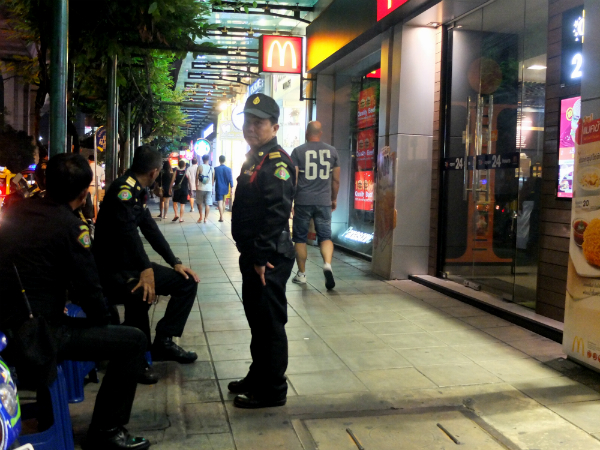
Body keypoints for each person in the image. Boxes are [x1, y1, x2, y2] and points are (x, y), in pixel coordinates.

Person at [0, 153, 150, 450]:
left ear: (44, 182)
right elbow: (90, 288)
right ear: (84, 193)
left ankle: (49, 414)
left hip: (9, 325)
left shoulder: (15, 211)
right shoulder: (72, 227)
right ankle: (107, 431)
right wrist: (104, 324)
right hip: (41, 334)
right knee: (132, 341)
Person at [93, 146, 200, 385]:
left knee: (187, 282)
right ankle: (136, 357)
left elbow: (149, 229)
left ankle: (163, 342)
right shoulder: (123, 191)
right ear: (154, 172)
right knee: (141, 291)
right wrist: (147, 269)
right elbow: (128, 233)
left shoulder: (136, 189)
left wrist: (175, 263)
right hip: (110, 269)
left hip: (131, 265)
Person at [228, 93, 296, 409]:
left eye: (259, 122)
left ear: (275, 126)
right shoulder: (255, 157)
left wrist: (260, 257)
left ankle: (273, 389)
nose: (251, 127)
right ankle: (258, 375)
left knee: (269, 324)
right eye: (247, 121)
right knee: (257, 321)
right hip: (254, 254)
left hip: (268, 258)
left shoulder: (278, 162)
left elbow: (277, 212)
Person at [291, 121, 341, 290]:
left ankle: (302, 274)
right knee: (325, 236)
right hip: (324, 201)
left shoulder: (298, 151)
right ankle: (327, 264)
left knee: (299, 238)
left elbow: (294, 179)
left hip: (303, 201)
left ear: (307, 133)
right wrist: (333, 199)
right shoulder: (332, 151)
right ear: (321, 133)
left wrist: (292, 199)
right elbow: (336, 180)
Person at [214, 155, 234, 222]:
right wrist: (232, 188)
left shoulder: (216, 169)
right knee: (224, 202)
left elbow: (213, 179)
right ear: (224, 160)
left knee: (220, 202)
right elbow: (230, 179)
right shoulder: (228, 169)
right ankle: (222, 216)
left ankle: (221, 217)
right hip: (225, 188)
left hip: (218, 187)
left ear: (219, 160)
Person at [196, 154, 214, 223]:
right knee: (208, 203)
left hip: (200, 187)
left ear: (202, 159)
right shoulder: (212, 168)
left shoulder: (200, 167)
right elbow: (212, 179)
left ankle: (200, 216)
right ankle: (205, 218)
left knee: (199, 202)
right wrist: (211, 187)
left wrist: (196, 185)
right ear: (208, 159)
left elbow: (196, 177)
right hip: (209, 188)